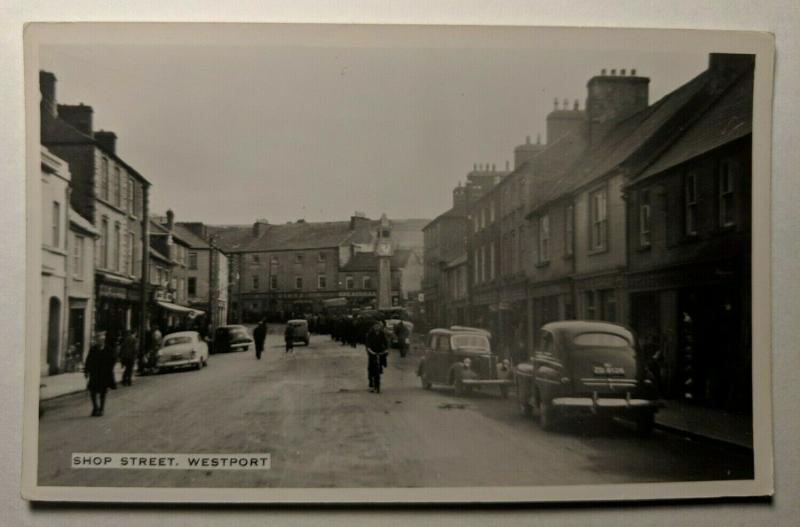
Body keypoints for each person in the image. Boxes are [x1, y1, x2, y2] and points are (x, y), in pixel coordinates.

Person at [84, 331, 117, 417]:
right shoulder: (93, 349)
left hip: (104, 374)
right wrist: (86, 371)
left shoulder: (109, 349)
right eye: (97, 340)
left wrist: (109, 369)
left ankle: (101, 409)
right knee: (92, 391)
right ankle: (95, 408)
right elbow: (88, 360)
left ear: (103, 340)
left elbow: (113, 360)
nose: (99, 341)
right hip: (94, 374)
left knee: (103, 392)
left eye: (101, 340)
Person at [365, 320, 389, 393]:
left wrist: (386, 349)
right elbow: (368, 344)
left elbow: (386, 342)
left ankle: (378, 381)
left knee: (380, 365)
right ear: (373, 327)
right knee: (371, 368)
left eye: (378, 326)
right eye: (375, 326)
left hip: (380, 352)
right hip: (372, 352)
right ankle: (371, 383)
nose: (377, 327)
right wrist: (369, 350)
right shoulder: (370, 334)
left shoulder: (382, 334)